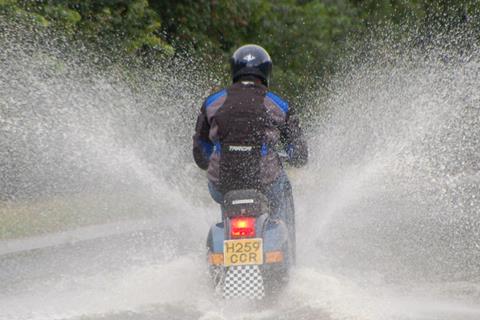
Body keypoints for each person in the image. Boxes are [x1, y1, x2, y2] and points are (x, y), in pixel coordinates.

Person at [192, 44, 308, 231]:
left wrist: (211, 160)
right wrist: (291, 156)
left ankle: (228, 238)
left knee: (224, 190)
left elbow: (201, 155)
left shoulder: (212, 102)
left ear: (235, 70)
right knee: (283, 186)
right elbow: (300, 155)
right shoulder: (278, 105)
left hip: (222, 184)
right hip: (266, 181)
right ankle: (285, 239)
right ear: (266, 71)